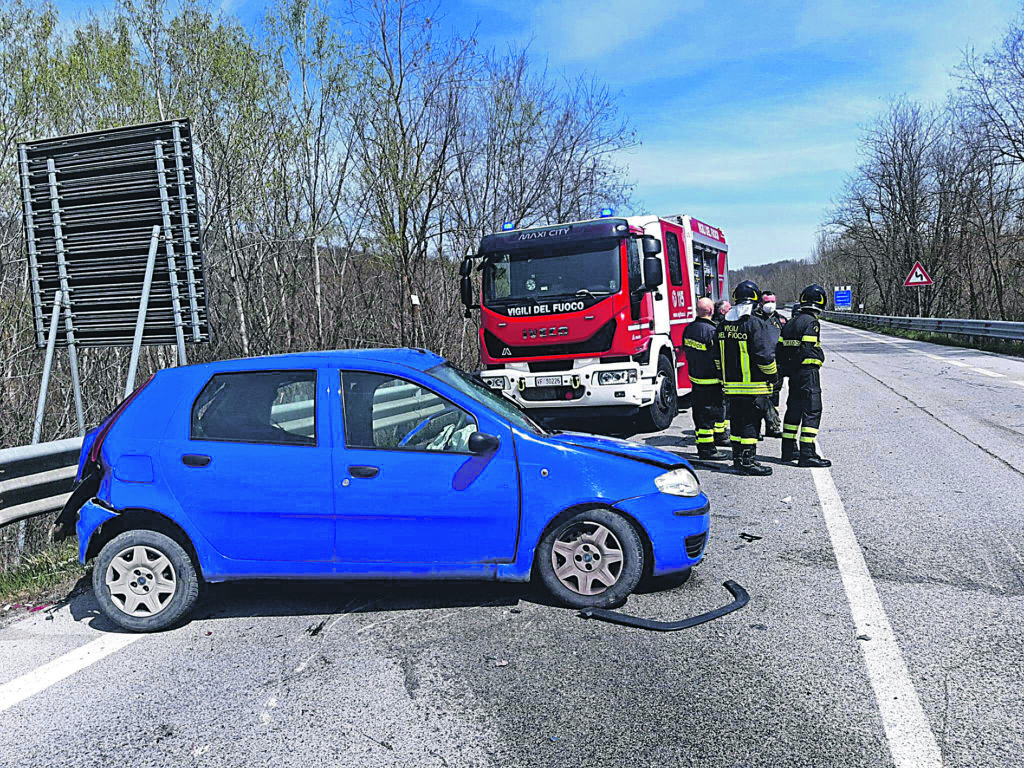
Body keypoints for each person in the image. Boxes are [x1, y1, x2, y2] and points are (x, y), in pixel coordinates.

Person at [713, 280, 779, 476]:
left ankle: (737, 459)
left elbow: (716, 357)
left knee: (736, 423)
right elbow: (765, 356)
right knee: (751, 424)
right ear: (756, 302)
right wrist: (773, 375)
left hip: (731, 387)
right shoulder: (755, 324)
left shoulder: (723, 326)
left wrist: (722, 376)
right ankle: (749, 461)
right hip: (753, 387)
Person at [778, 284, 831, 467]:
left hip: (794, 375)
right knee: (812, 411)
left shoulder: (791, 322)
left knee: (794, 410)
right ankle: (807, 453)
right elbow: (808, 350)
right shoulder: (811, 323)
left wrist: (788, 368)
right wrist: (820, 355)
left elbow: (780, 349)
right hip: (808, 375)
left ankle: (788, 449)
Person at [683, 298, 728, 459]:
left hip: (696, 379)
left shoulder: (689, 329)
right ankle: (707, 449)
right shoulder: (711, 331)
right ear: (710, 311)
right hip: (711, 381)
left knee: (701, 413)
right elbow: (718, 357)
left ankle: (710, 443)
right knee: (709, 416)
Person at [755, 292, 786, 438]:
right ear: (760, 303)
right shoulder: (754, 319)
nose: (770, 304)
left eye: (773, 301)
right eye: (767, 301)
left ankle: (772, 427)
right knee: (760, 398)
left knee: (774, 396)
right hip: (760, 365)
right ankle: (757, 429)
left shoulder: (781, 320)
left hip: (777, 365)